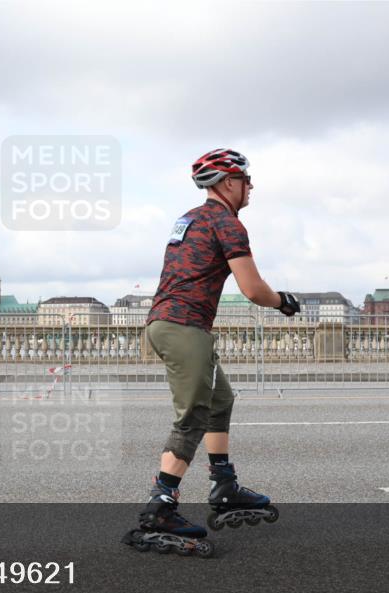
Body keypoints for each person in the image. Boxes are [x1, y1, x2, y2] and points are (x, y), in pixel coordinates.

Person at [123, 148, 300, 556]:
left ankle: (224, 484)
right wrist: (283, 301)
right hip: (185, 327)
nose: (250, 185)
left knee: (221, 399)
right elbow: (253, 290)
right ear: (226, 184)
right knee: (193, 416)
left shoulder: (188, 218)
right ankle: (160, 506)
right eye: (244, 179)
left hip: (167, 323)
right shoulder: (228, 223)